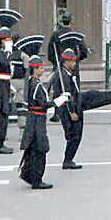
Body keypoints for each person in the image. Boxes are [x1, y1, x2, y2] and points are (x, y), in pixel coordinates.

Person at [19, 55, 70, 189]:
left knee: (34, 148)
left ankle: (29, 175)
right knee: (40, 148)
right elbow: (43, 104)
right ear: (35, 69)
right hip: (37, 120)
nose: (42, 70)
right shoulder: (35, 86)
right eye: (41, 68)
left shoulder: (33, 83)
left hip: (35, 119)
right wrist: (60, 100)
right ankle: (37, 179)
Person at [51, 48, 83, 170]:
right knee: (73, 135)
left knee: (73, 134)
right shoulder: (64, 76)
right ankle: (68, 159)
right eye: (72, 61)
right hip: (66, 109)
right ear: (66, 62)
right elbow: (67, 95)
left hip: (67, 108)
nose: (74, 64)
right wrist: (72, 111)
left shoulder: (65, 73)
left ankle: (69, 159)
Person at [0, 28, 14, 154]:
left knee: (4, 116)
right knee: (1, 116)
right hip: (0, 88)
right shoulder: (0, 53)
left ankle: (0, 143)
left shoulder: (3, 53)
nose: (10, 42)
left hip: (4, 86)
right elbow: (5, 64)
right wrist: (8, 52)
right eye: (8, 39)